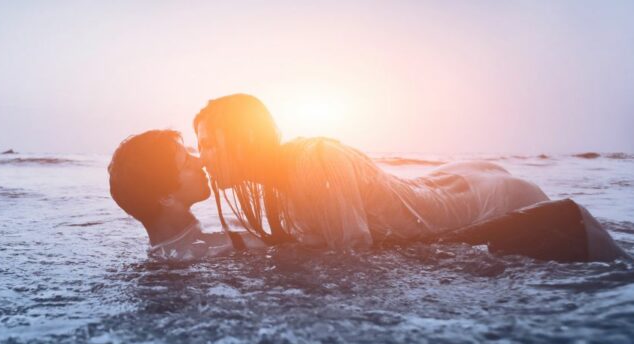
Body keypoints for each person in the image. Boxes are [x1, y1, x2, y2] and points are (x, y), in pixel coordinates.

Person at [193, 93, 629, 262]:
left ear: (243, 139)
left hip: (495, 199)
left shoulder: (313, 162)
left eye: (209, 143)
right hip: (450, 186)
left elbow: (355, 261)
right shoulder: (280, 186)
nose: (203, 157)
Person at [108, 129, 262, 260]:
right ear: (166, 197)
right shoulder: (216, 248)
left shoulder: (166, 251)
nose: (200, 162)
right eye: (187, 163)